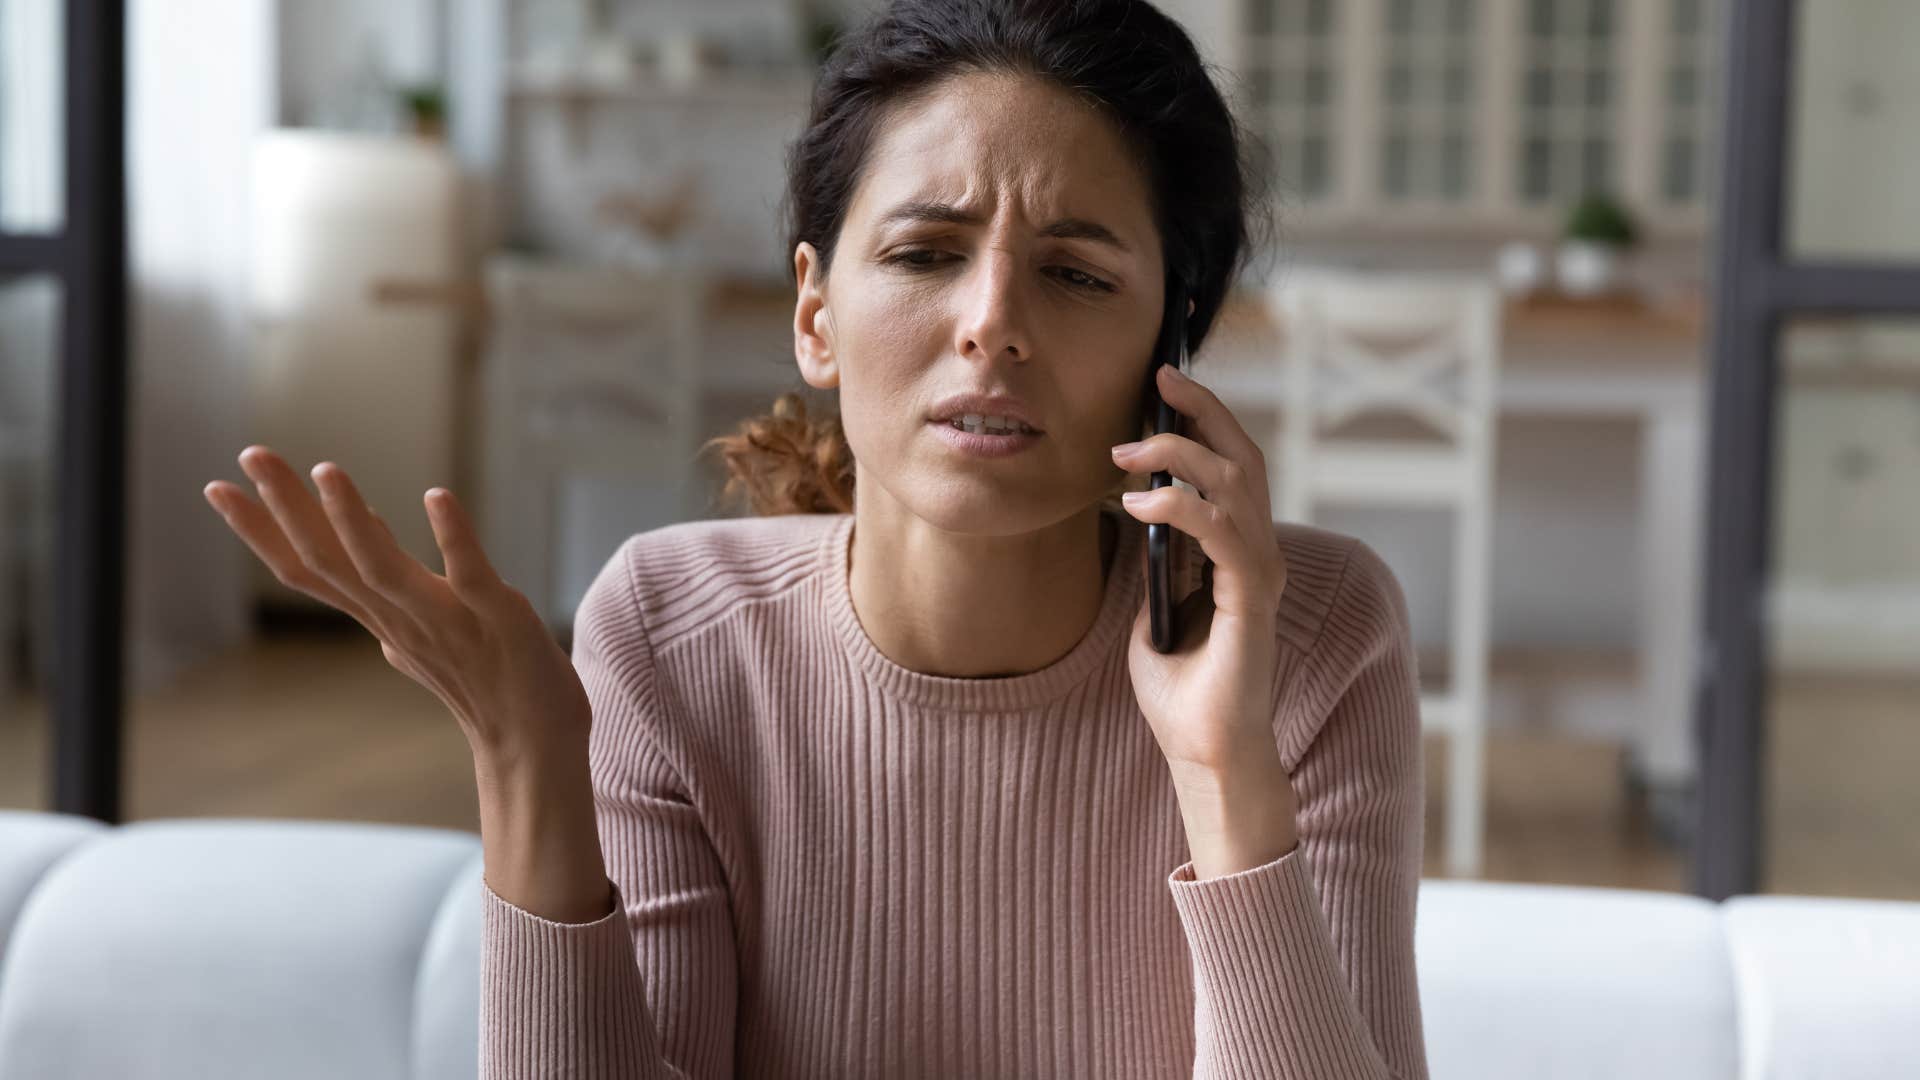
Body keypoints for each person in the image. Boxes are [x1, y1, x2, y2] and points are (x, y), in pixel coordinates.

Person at [204, 1, 1430, 1076]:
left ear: (1169, 350)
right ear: (816, 312)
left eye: (1077, 276)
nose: (990, 323)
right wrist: (527, 755)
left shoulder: (1307, 634)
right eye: (923, 254)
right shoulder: (669, 632)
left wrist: (1223, 769)